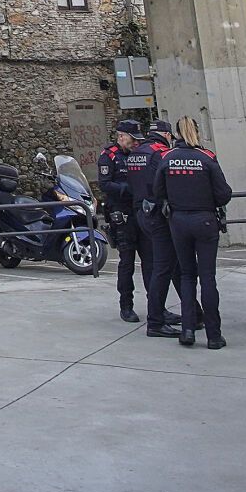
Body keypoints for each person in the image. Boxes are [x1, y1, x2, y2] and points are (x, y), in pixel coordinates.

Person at [152, 116, 233, 349]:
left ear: (176, 134)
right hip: (205, 219)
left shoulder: (167, 158)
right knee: (208, 277)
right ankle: (214, 335)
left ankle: (188, 330)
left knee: (187, 276)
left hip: (178, 221)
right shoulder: (206, 157)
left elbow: (158, 191)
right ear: (197, 131)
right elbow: (224, 193)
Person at [124, 119, 178, 337]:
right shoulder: (160, 153)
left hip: (141, 212)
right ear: (166, 135)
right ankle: (156, 319)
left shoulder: (137, 152)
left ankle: (171, 313)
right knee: (164, 267)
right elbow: (164, 184)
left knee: (161, 265)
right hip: (158, 214)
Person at [95, 120, 144, 323]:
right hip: (121, 213)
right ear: (122, 137)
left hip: (140, 211)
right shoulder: (110, 156)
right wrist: (127, 189)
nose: (135, 144)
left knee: (150, 261)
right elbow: (105, 184)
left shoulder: (139, 154)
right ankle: (126, 305)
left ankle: (157, 307)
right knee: (127, 262)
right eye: (132, 140)